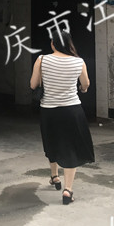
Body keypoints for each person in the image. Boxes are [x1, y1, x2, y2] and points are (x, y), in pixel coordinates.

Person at [30, 30, 94, 205]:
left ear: (53, 44)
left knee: (52, 142)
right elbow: (86, 83)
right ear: (69, 44)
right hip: (72, 110)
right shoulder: (78, 61)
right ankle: (68, 190)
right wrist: (83, 89)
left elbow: (33, 84)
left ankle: (54, 176)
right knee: (71, 146)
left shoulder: (42, 60)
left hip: (49, 110)